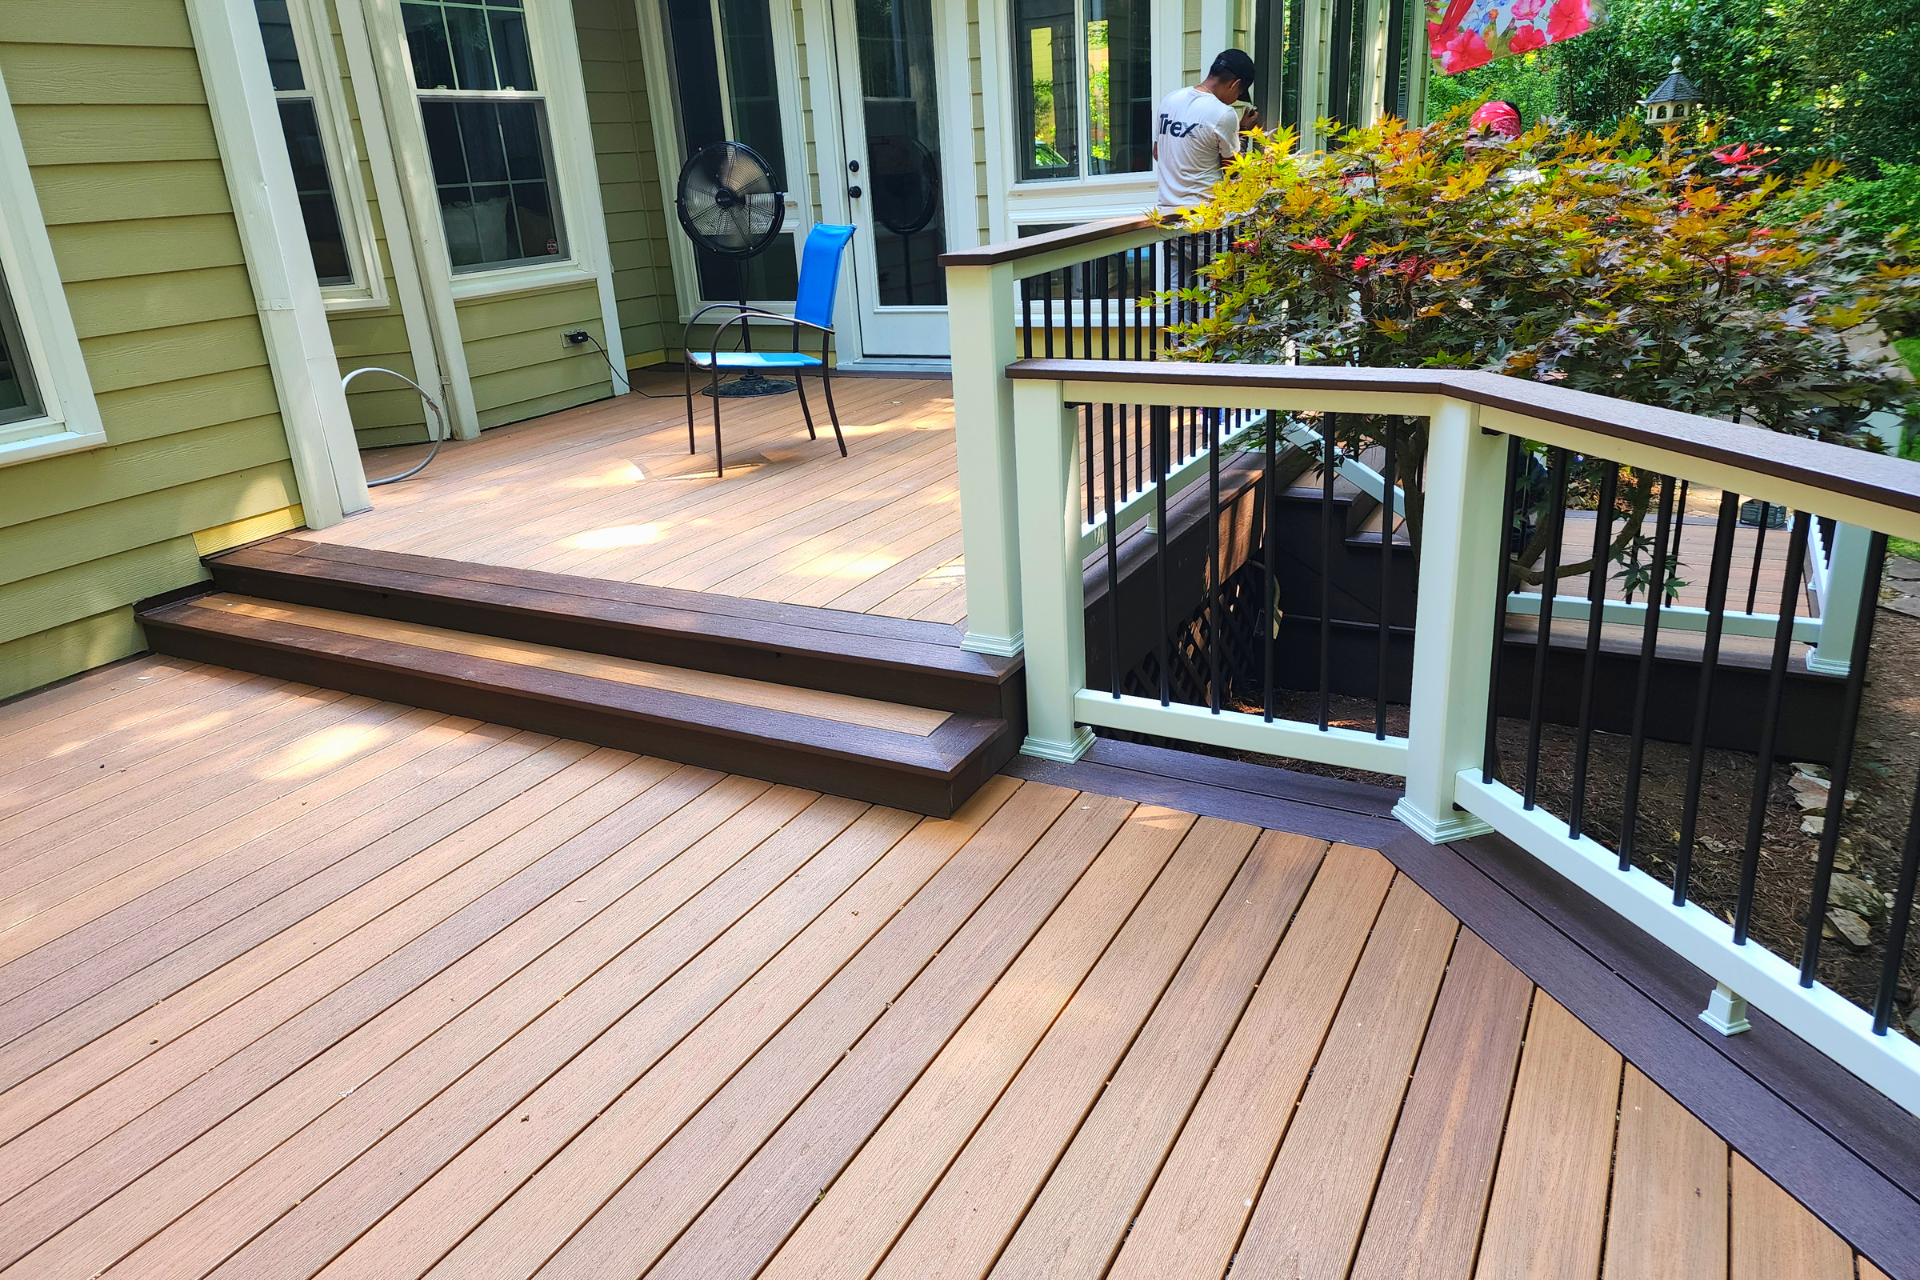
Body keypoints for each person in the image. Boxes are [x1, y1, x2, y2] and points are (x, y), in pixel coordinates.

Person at [1153, 49, 1259, 210]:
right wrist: (1244, 131)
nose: (1234, 101)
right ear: (1235, 84)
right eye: (1239, 94)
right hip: (1204, 217)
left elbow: (1157, 153)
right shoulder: (1223, 113)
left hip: (1166, 214)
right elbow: (1233, 170)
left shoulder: (1171, 99)